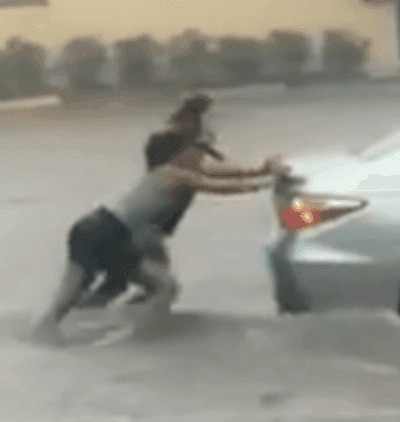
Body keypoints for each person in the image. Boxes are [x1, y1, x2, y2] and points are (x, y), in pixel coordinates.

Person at [30, 132, 280, 346]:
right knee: (75, 292)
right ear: (178, 155)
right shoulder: (173, 174)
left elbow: (219, 174)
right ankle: (120, 332)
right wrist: (265, 182)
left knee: (127, 287)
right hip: (101, 232)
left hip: (110, 234)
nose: (199, 158)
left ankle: (93, 323)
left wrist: (260, 171)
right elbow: (215, 185)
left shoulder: (171, 172)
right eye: (193, 153)